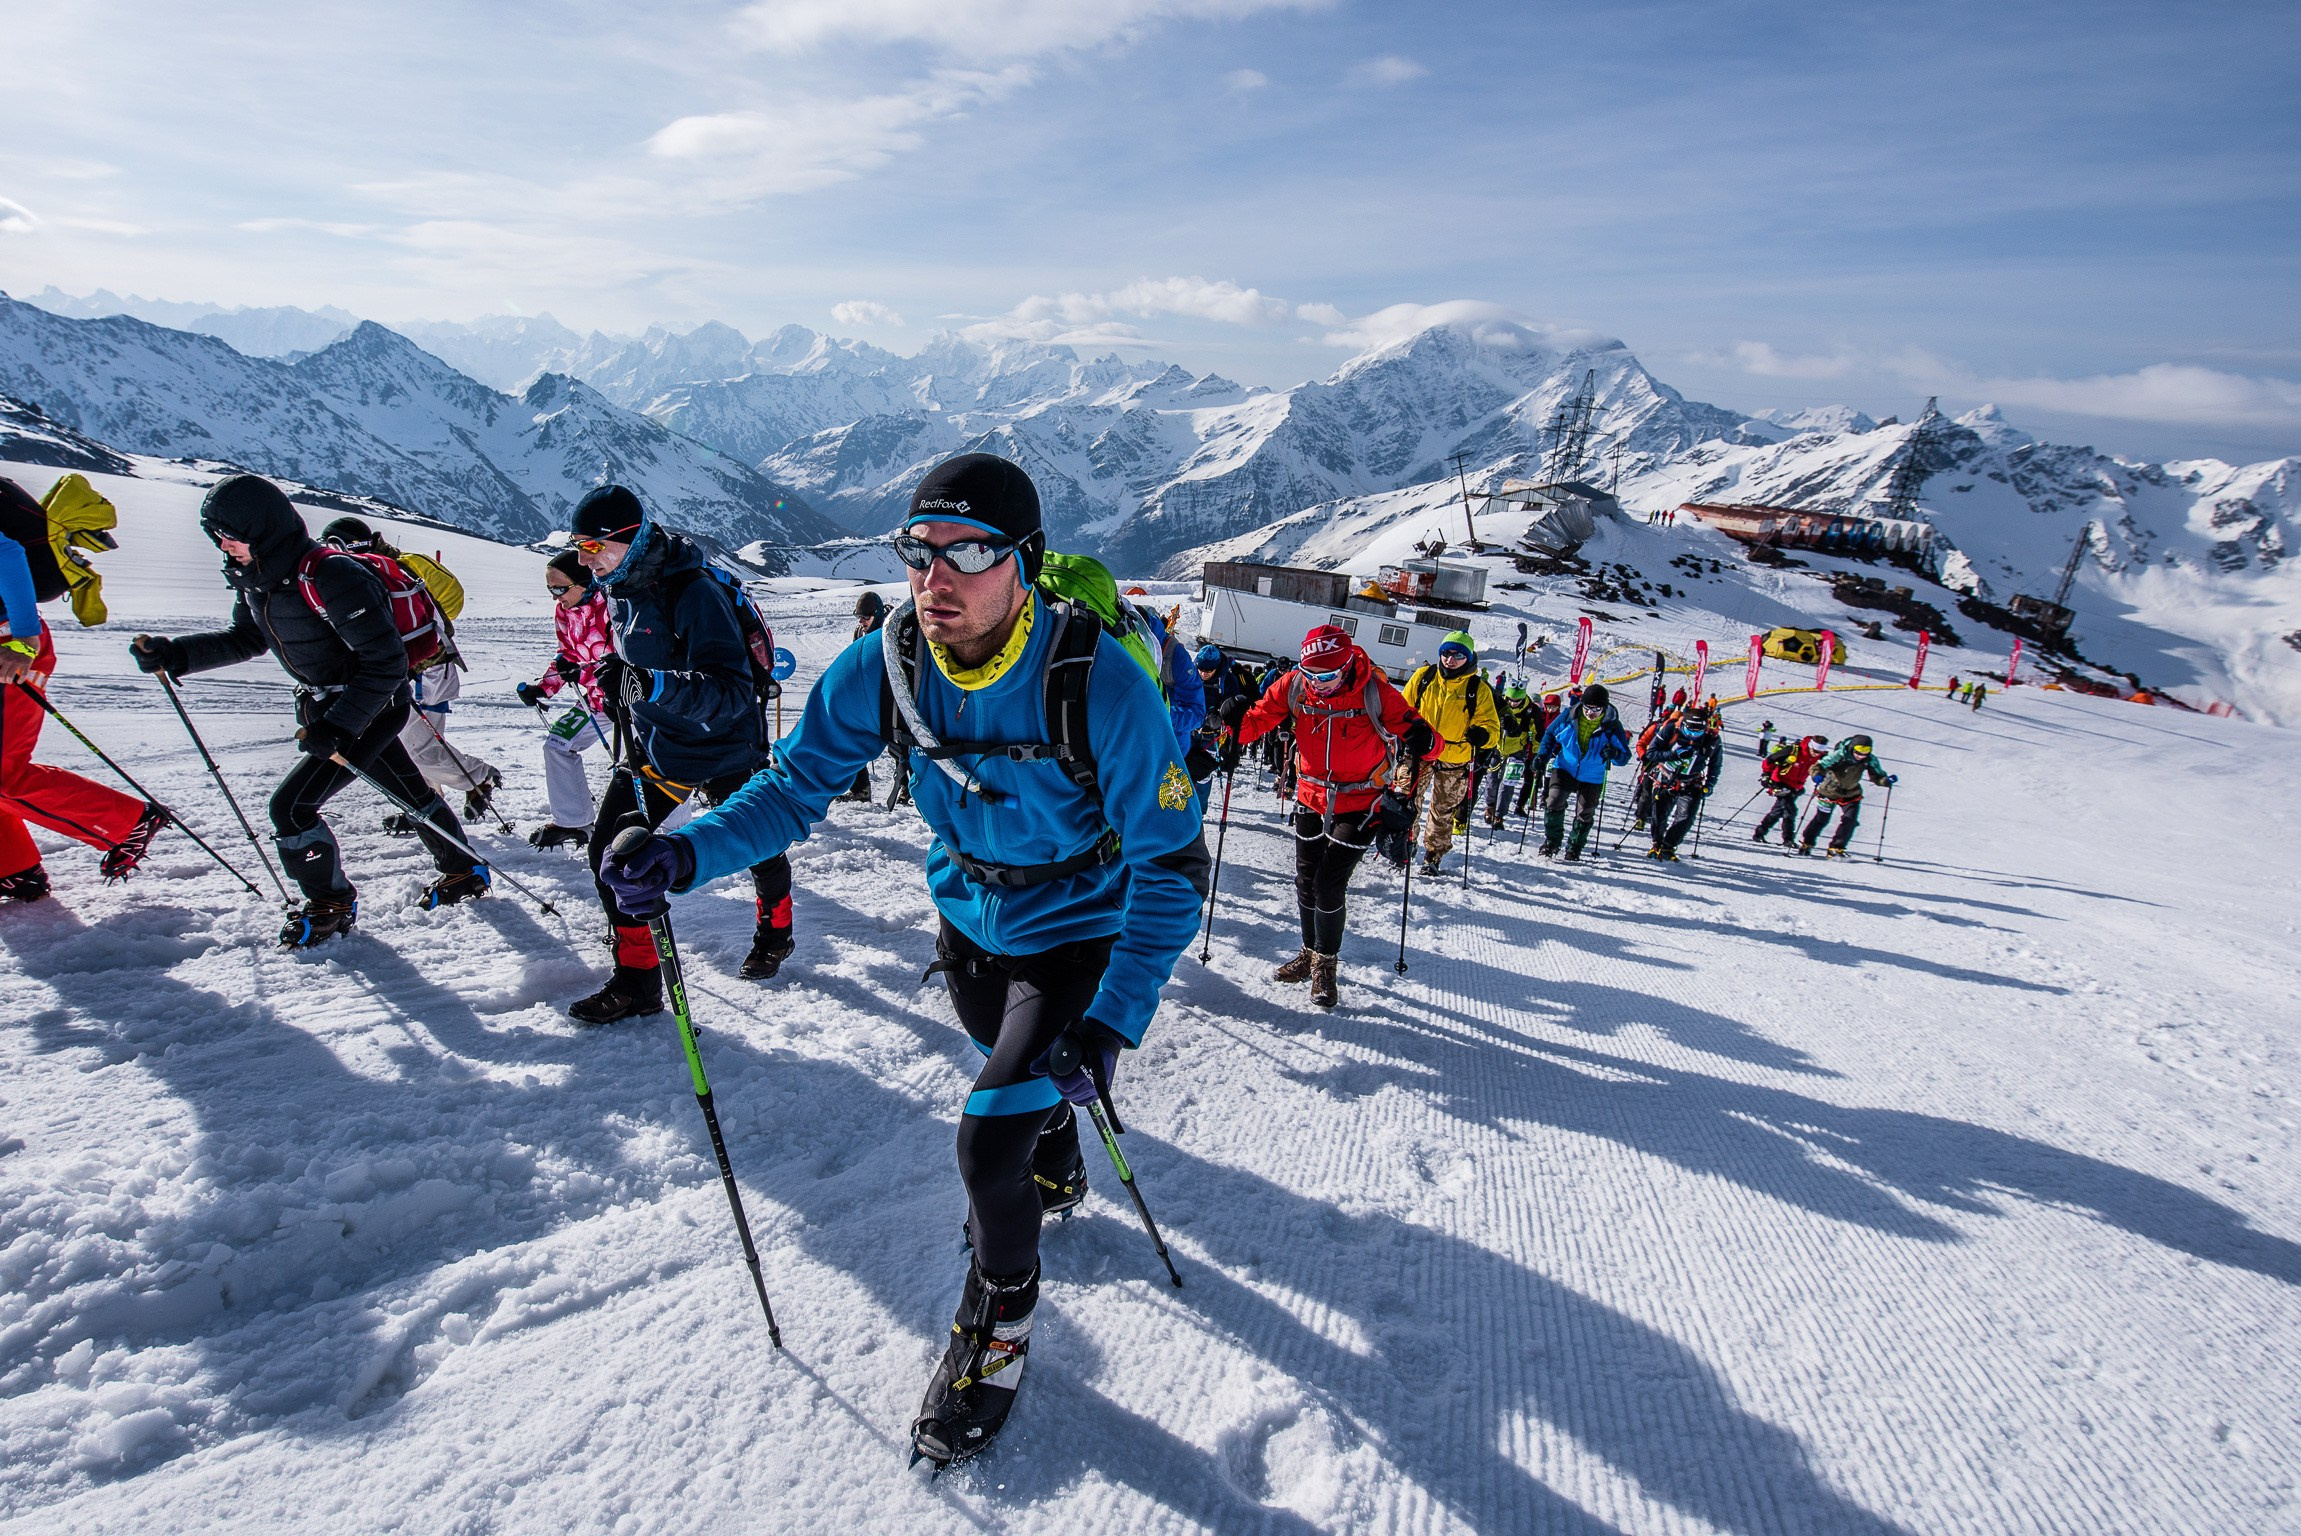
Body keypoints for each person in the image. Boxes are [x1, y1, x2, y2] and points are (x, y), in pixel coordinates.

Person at [594, 453, 1208, 1469]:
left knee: (983, 1144)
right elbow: (793, 792)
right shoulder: (883, 665)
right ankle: (1055, 1144)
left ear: (1026, 564)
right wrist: (688, 849)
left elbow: (1173, 865)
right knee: (1012, 1079)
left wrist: (1111, 1021)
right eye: (919, 553)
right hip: (969, 920)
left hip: (1077, 938)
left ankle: (994, 1337)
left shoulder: (1094, 681)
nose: (938, 578)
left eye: (969, 552)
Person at [130, 475, 483, 944]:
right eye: (216, 536)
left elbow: (385, 663)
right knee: (408, 790)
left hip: (370, 708)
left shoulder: (333, 575)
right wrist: (177, 655)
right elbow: (248, 638)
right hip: (331, 712)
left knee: (291, 810)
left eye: (229, 535)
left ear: (260, 529)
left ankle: (331, 904)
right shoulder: (259, 579)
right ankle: (464, 869)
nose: (223, 545)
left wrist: (338, 727)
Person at [559, 485, 797, 1020]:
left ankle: (775, 932)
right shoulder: (622, 587)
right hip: (659, 749)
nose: (583, 560)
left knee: (756, 844)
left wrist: (650, 685)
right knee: (613, 858)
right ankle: (638, 982)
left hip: (726, 747)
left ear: (633, 538)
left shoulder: (693, 593)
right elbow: (641, 663)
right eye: (579, 547)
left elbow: (732, 692)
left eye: (594, 547)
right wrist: (620, 682)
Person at [1226, 624, 1430, 1007]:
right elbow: (1254, 724)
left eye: (1328, 676)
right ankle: (1309, 953)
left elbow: (1426, 740)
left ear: (1348, 664)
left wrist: (1424, 739)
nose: (1318, 684)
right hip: (1311, 795)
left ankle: (1325, 965)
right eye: (1311, 675)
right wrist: (1234, 719)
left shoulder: (1375, 691)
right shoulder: (1294, 685)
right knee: (1305, 880)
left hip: (1362, 799)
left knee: (1329, 883)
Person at [0, 473, 169, 900]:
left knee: (4, 773)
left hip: (12, 646)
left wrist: (23, 639)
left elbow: (7, 552)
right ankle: (14, 867)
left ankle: (129, 822)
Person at [317, 517, 502, 827]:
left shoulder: (371, 574)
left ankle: (478, 778)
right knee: (415, 743)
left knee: (415, 748)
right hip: (431, 668)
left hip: (419, 672)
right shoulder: (396, 568)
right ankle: (428, 807)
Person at [514, 549, 613, 849]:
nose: (555, 597)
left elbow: (624, 657)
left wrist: (581, 670)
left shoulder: (612, 606)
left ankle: (678, 829)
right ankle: (575, 821)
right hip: (597, 700)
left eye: (560, 589)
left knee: (649, 758)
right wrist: (543, 688)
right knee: (557, 744)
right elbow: (568, 655)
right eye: (550, 590)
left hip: (635, 700)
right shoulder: (564, 612)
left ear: (583, 582)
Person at [1401, 631, 1498, 874]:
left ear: (1469, 657)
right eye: (1446, 653)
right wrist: (1406, 729)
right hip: (1421, 751)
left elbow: (1492, 727)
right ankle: (1405, 842)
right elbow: (1402, 708)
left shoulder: (1478, 688)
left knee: (1443, 809)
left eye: (1457, 655)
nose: (1450, 660)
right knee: (1406, 798)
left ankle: (1433, 855)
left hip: (1455, 756)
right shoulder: (1425, 676)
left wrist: (1483, 736)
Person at [1534, 682, 1632, 861]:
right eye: (1587, 708)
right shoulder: (1569, 716)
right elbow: (1549, 734)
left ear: (1604, 707)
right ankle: (1551, 843)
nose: (1590, 713)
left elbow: (1625, 757)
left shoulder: (1612, 726)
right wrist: (1542, 756)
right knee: (1553, 801)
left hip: (1593, 774)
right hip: (1565, 767)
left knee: (1585, 812)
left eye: (1596, 709)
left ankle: (1574, 848)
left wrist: (1614, 753)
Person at [1643, 708, 1723, 861]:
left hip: (1692, 781)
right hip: (1666, 779)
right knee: (1659, 815)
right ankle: (1657, 843)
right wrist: (1672, 755)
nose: (1693, 736)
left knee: (1686, 818)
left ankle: (1668, 846)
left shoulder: (1712, 739)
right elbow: (1651, 753)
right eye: (1690, 731)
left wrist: (1710, 783)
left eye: (1698, 732)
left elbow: (1716, 764)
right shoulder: (1670, 730)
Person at [1800, 734, 1895, 856]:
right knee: (1821, 819)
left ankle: (1836, 847)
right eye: (1859, 751)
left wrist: (1886, 781)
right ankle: (1807, 842)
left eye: (1866, 751)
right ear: (1852, 747)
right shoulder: (1839, 755)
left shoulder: (1870, 759)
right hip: (1829, 791)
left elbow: (1877, 776)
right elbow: (1818, 766)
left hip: (1851, 793)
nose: (1861, 755)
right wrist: (1816, 774)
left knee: (1850, 820)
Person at [1189, 644, 1259, 797]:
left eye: (1208, 671)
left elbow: (1231, 704)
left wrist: (1220, 716)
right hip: (1189, 728)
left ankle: (1200, 811)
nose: (1203, 674)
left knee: (1203, 772)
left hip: (1211, 733)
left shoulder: (1227, 680)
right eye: (1200, 669)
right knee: (1182, 767)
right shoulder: (1191, 673)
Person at [840, 590, 889, 803]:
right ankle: (861, 789)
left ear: (876, 615)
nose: (861, 621)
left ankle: (908, 789)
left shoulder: (889, 631)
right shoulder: (859, 632)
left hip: (889, 697)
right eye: (859, 617)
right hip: (866, 695)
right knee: (854, 741)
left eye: (865, 617)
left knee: (901, 748)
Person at [1752, 733, 1826, 847]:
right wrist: (1766, 775)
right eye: (1815, 751)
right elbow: (1770, 760)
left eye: (1819, 752)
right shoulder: (1793, 750)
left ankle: (1759, 833)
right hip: (1779, 783)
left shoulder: (1820, 757)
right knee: (1790, 810)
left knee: (1778, 811)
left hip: (1795, 787)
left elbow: (1821, 768)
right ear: (1810, 746)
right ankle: (1788, 839)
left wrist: (1820, 776)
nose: (1816, 754)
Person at [1483, 682, 1538, 827]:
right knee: (1492, 779)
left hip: (1518, 751)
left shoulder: (1531, 710)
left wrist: (1537, 754)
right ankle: (1490, 805)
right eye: (1510, 700)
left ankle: (1500, 814)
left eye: (1517, 701)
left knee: (1508, 783)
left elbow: (1538, 733)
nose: (1513, 703)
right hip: (1497, 747)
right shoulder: (1499, 704)